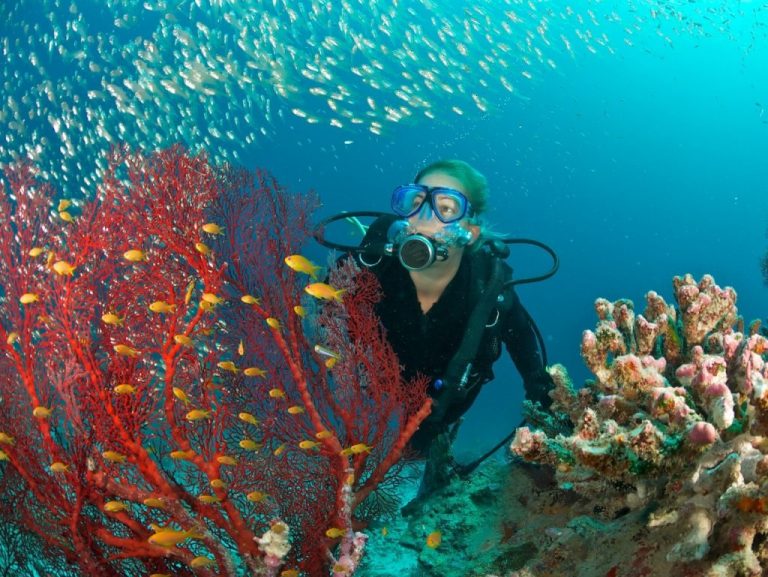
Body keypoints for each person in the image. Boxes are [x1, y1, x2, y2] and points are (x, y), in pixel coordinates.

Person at [354, 159, 554, 493]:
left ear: (470, 231)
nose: (424, 217)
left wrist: (541, 393)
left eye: (445, 208)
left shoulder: (487, 287)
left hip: (448, 396)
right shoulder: (374, 264)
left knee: (425, 446)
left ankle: (439, 452)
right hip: (376, 386)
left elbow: (521, 338)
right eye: (415, 202)